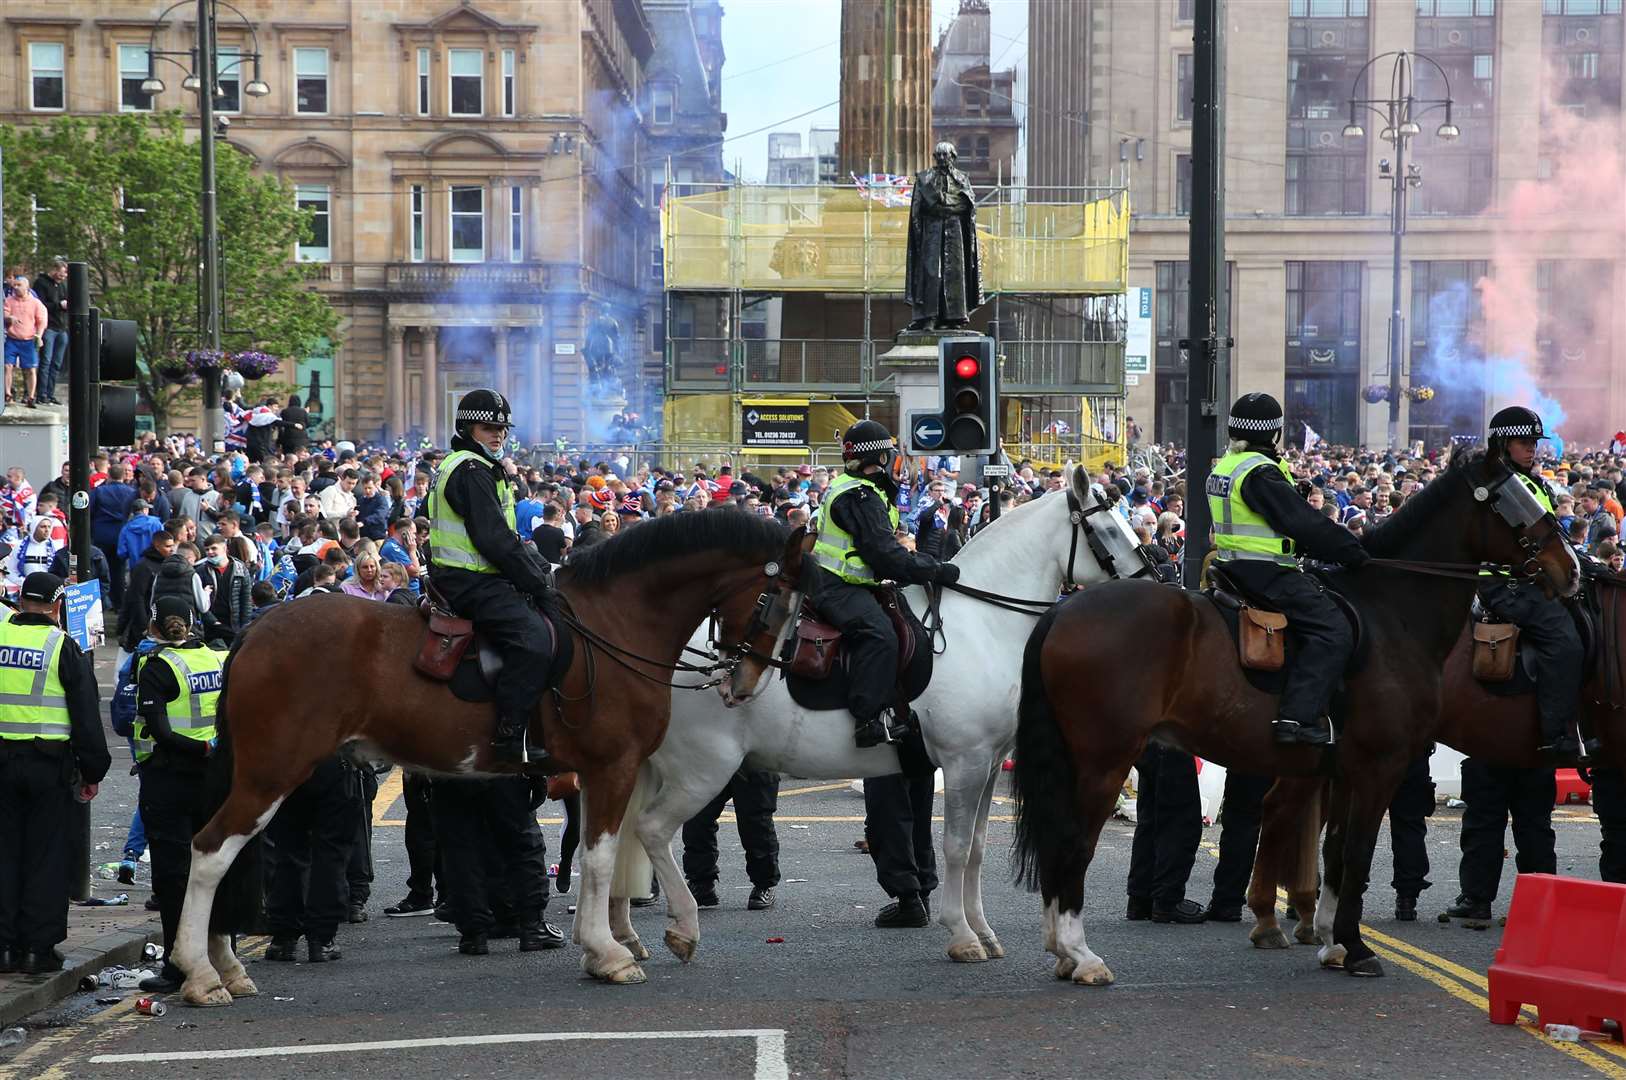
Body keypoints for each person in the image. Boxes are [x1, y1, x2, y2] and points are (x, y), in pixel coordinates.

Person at [1206, 393, 1369, 745]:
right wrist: (1353, 551)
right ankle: (1297, 718)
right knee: (1333, 630)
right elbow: (1304, 524)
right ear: (1275, 434)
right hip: (1268, 574)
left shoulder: (1227, 465)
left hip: (1230, 567)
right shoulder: (1259, 472)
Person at [808, 420, 960, 747]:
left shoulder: (864, 488)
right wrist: (933, 569)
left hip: (854, 582)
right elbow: (884, 554)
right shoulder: (859, 496)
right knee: (881, 635)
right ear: (875, 459)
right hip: (836, 585)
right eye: (889, 456)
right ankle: (867, 719)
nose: (894, 463)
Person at [426, 389, 556, 763]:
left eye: (502, 428)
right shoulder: (470, 470)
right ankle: (510, 736)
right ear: (468, 428)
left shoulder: (467, 465)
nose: (498, 435)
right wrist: (537, 581)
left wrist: (535, 565)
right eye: (489, 428)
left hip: (470, 575)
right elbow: (493, 540)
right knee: (533, 639)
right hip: (471, 580)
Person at [0, 573, 108, 974]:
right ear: (57, 606)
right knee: (45, 857)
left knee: (5, 853)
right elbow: (85, 716)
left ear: (20, 601)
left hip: (2, 760)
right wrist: (93, 769)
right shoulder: (62, 645)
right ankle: (37, 949)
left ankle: (4, 947)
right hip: (47, 764)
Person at [1479, 406, 1591, 763]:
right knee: (1564, 640)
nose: (1532, 449)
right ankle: (1555, 735)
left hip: (1536, 578)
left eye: (1533, 442)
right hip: (1507, 584)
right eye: (1524, 442)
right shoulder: (1502, 485)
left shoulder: (1531, 481)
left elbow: (1552, 538)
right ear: (1503, 445)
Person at [130, 595, 227, 992]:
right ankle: (222, 954)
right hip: (213, 780)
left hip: (169, 779)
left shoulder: (157, 667)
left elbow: (161, 732)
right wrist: (215, 749)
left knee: (173, 877)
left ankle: (177, 964)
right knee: (213, 870)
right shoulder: (215, 659)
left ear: (155, 626)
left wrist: (199, 748)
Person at [432, 775, 564, 955]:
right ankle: (532, 926)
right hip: (502, 764)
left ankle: (473, 933)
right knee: (523, 845)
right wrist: (537, 769)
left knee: (460, 853)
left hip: (452, 770)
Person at [1440, 757, 1556, 925]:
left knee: (1483, 826)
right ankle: (1539, 901)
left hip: (1489, 752)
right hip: (1535, 754)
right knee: (1534, 828)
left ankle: (1478, 900)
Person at [682, 768, 781, 911]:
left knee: (756, 822)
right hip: (714, 757)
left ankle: (764, 884)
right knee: (696, 816)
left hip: (753, 758)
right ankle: (701, 883)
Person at [1126, 745, 1206, 923]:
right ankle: (1167, 899)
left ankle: (1140, 898)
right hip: (1172, 735)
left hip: (1148, 735)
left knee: (1150, 815)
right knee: (1180, 816)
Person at [3, 272, 47, 406]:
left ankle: (31, 397)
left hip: (28, 340)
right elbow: (4, 314)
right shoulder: (9, 300)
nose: (16, 287)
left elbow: (42, 321)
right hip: (12, 339)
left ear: (26, 287)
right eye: (15, 285)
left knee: (30, 369)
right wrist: (9, 318)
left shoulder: (36, 303)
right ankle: (7, 394)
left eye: (19, 285)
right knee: (7, 366)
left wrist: (39, 335)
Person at [31, 259, 68, 406]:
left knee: (57, 363)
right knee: (45, 361)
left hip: (61, 328)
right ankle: (41, 393)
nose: (63, 277)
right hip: (49, 328)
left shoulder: (62, 286)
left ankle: (50, 393)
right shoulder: (41, 283)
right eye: (61, 274)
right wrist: (59, 305)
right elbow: (40, 305)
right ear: (54, 270)